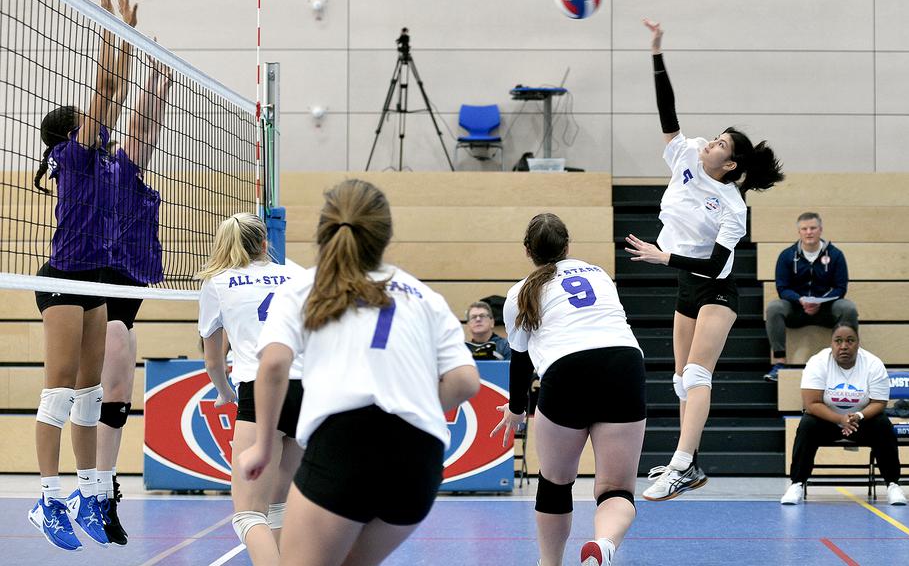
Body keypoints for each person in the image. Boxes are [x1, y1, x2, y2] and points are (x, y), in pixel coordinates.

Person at [236, 179, 480, 566]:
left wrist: (263, 446)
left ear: (324, 230)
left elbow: (274, 365)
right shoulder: (426, 296)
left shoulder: (306, 286)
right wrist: (411, 402)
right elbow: (466, 383)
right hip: (420, 456)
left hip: (346, 441)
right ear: (385, 235)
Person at [624, 19, 785, 502]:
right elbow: (667, 112)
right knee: (679, 383)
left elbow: (715, 266)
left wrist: (661, 255)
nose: (710, 142)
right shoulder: (689, 155)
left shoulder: (734, 208)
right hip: (686, 286)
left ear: (731, 165)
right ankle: (690, 465)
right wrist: (656, 52)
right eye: (714, 138)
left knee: (698, 376)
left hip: (715, 289)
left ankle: (677, 465)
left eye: (721, 144)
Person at [27, 0, 141, 551]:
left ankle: (91, 494)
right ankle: (46, 498)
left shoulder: (95, 160)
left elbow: (112, 96)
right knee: (59, 391)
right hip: (63, 279)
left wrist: (130, 43)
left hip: (93, 279)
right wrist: (111, 32)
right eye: (91, 123)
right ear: (72, 135)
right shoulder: (74, 156)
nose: (104, 126)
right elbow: (105, 90)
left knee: (90, 393)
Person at [491, 213, 646, 566]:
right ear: (568, 245)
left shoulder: (520, 292)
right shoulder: (598, 274)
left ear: (527, 251)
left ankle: (550, 563)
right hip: (623, 364)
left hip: (567, 370)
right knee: (616, 489)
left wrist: (516, 409)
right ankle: (604, 545)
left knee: (555, 482)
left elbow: (520, 361)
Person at [96, 48, 173, 547]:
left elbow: (141, 130)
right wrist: (121, 43)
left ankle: (100, 488)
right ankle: (95, 489)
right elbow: (109, 104)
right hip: (92, 282)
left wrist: (161, 86)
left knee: (117, 388)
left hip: (125, 284)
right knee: (108, 380)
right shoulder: (87, 170)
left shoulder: (117, 171)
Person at [196, 213, 306, 565]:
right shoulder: (297, 273)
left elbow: (213, 361)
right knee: (277, 507)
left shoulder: (217, 282)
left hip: (261, 390)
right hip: (309, 389)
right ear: (264, 243)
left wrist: (225, 392)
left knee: (247, 515)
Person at [780, 322, 907, 506]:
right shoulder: (818, 362)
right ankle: (797, 483)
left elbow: (879, 403)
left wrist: (858, 417)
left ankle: (893, 485)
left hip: (861, 421)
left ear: (858, 343)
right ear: (831, 343)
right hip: (828, 422)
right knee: (807, 424)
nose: (844, 346)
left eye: (850, 341)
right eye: (838, 341)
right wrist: (840, 419)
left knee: (883, 425)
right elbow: (811, 403)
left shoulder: (873, 364)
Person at [763, 212, 858, 382]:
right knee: (774, 307)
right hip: (797, 310)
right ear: (799, 232)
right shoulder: (787, 255)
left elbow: (840, 287)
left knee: (848, 307)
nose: (809, 232)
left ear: (820, 230)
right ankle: (779, 364)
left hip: (826, 311)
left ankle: (847, 364)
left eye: (813, 228)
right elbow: (782, 288)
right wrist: (800, 300)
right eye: (804, 229)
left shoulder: (835, 255)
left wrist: (821, 302)